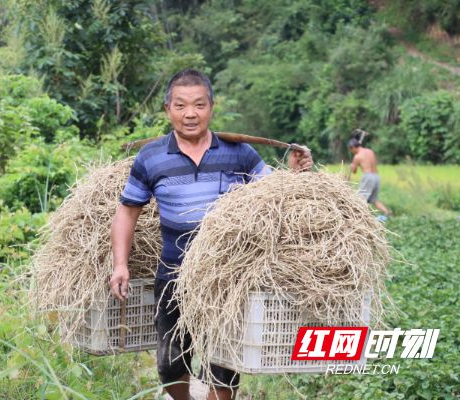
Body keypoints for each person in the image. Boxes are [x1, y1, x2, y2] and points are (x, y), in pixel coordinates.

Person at [109, 69, 313, 400]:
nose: (190, 113)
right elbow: (127, 211)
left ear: (211, 107)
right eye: (181, 105)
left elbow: (278, 196)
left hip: (227, 278)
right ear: (168, 110)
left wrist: (297, 173)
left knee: (223, 363)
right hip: (173, 273)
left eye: (199, 105)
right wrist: (120, 263)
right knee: (170, 361)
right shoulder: (151, 157)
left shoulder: (240, 153)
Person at [348, 138, 391, 216]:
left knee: (360, 199)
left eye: (351, 150)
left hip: (368, 177)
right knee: (374, 200)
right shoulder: (370, 151)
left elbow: (354, 171)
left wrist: (352, 166)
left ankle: (361, 216)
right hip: (376, 177)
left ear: (353, 147)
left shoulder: (357, 156)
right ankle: (387, 212)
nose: (352, 152)